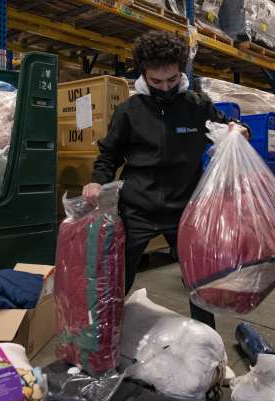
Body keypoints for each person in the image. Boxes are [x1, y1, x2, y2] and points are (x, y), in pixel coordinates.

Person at [82, 30, 247, 329]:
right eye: (157, 82)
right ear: (143, 73)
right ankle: (103, 336)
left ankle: (208, 343)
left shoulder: (197, 106)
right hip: (137, 210)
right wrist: (96, 181)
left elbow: (227, 127)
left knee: (198, 280)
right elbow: (109, 156)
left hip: (184, 210)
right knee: (120, 277)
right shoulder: (129, 112)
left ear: (181, 70)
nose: (165, 88)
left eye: (172, 80)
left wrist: (238, 129)